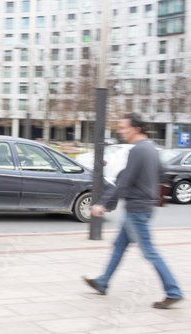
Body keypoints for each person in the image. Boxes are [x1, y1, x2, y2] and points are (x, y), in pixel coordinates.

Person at [84, 113, 183, 309]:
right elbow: (162, 174)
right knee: (119, 246)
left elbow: (124, 182)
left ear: (136, 129)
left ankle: (173, 291)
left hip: (136, 209)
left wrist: (102, 203)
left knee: (150, 252)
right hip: (142, 206)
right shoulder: (152, 147)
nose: (120, 131)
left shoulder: (138, 150)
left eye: (123, 127)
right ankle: (103, 282)